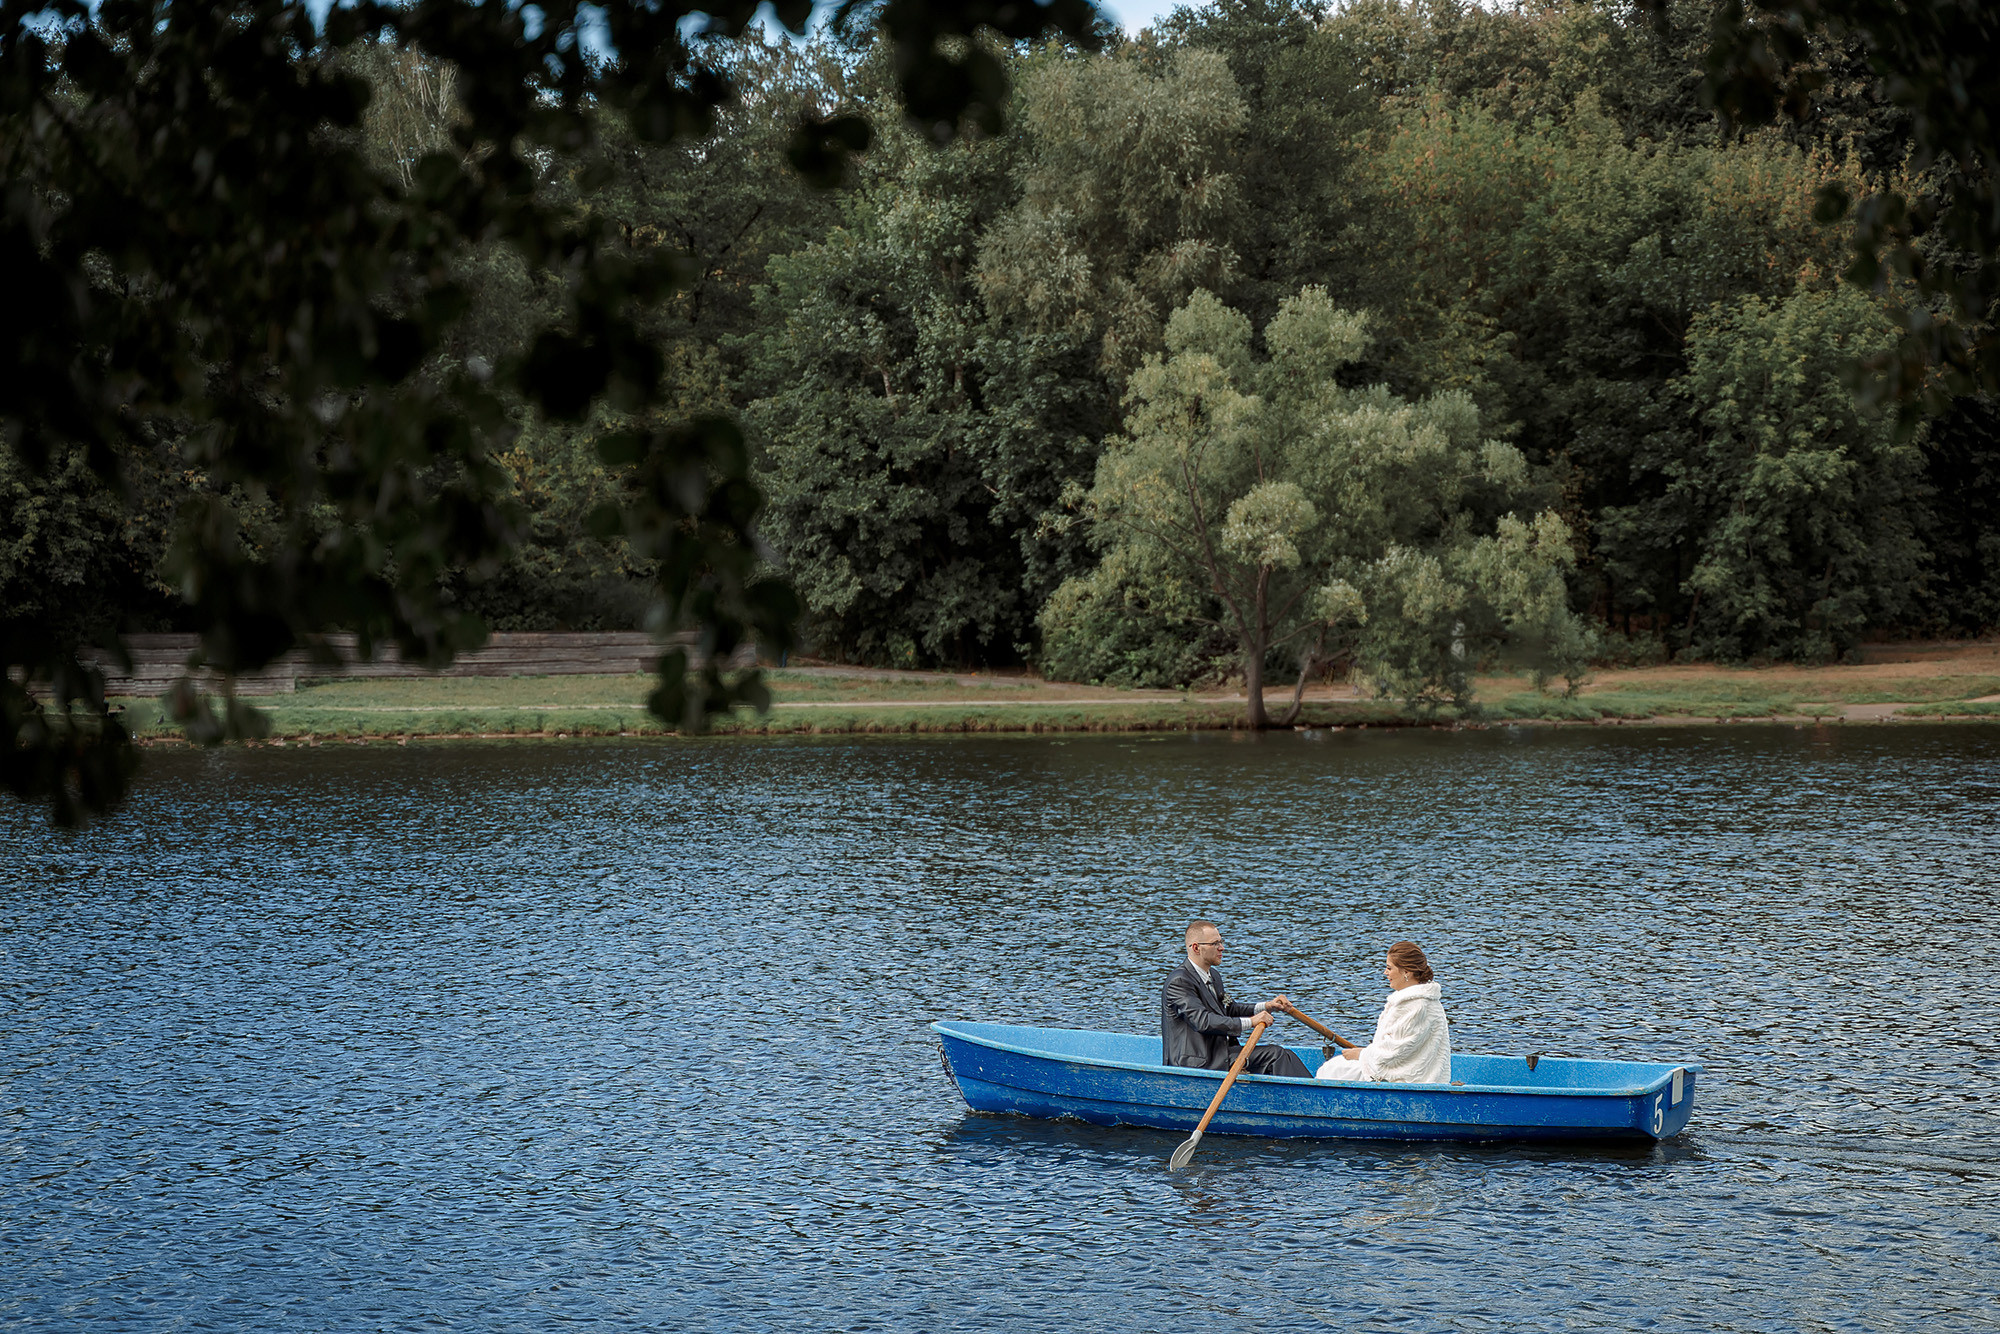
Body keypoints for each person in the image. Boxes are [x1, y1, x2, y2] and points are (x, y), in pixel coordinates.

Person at [1160, 920, 1313, 1078]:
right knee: (1276, 1055)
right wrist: (1251, 1022)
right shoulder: (1179, 981)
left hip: (1221, 1054)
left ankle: (1307, 1093)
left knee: (1284, 1054)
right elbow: (1203, 1021)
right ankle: (1308, 1097)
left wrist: (1268, 1006)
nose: (1222, 948)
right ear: (1196, 948)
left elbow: (1229, 1009)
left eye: (1221, 941)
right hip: (1197, 1063)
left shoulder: (1214, 976)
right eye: (1215, 943)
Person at [1316, 940, 1451, 1082]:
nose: (1385, 972)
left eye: (1389, 968)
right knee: (1336, 1066)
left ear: (1406, 972)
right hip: (1404, 1069)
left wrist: (1362, 1055)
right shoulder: (1420, 1000)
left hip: (1408, 1078)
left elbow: (1396, 1051)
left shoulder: (1416, 1005)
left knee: (1331, 1069)